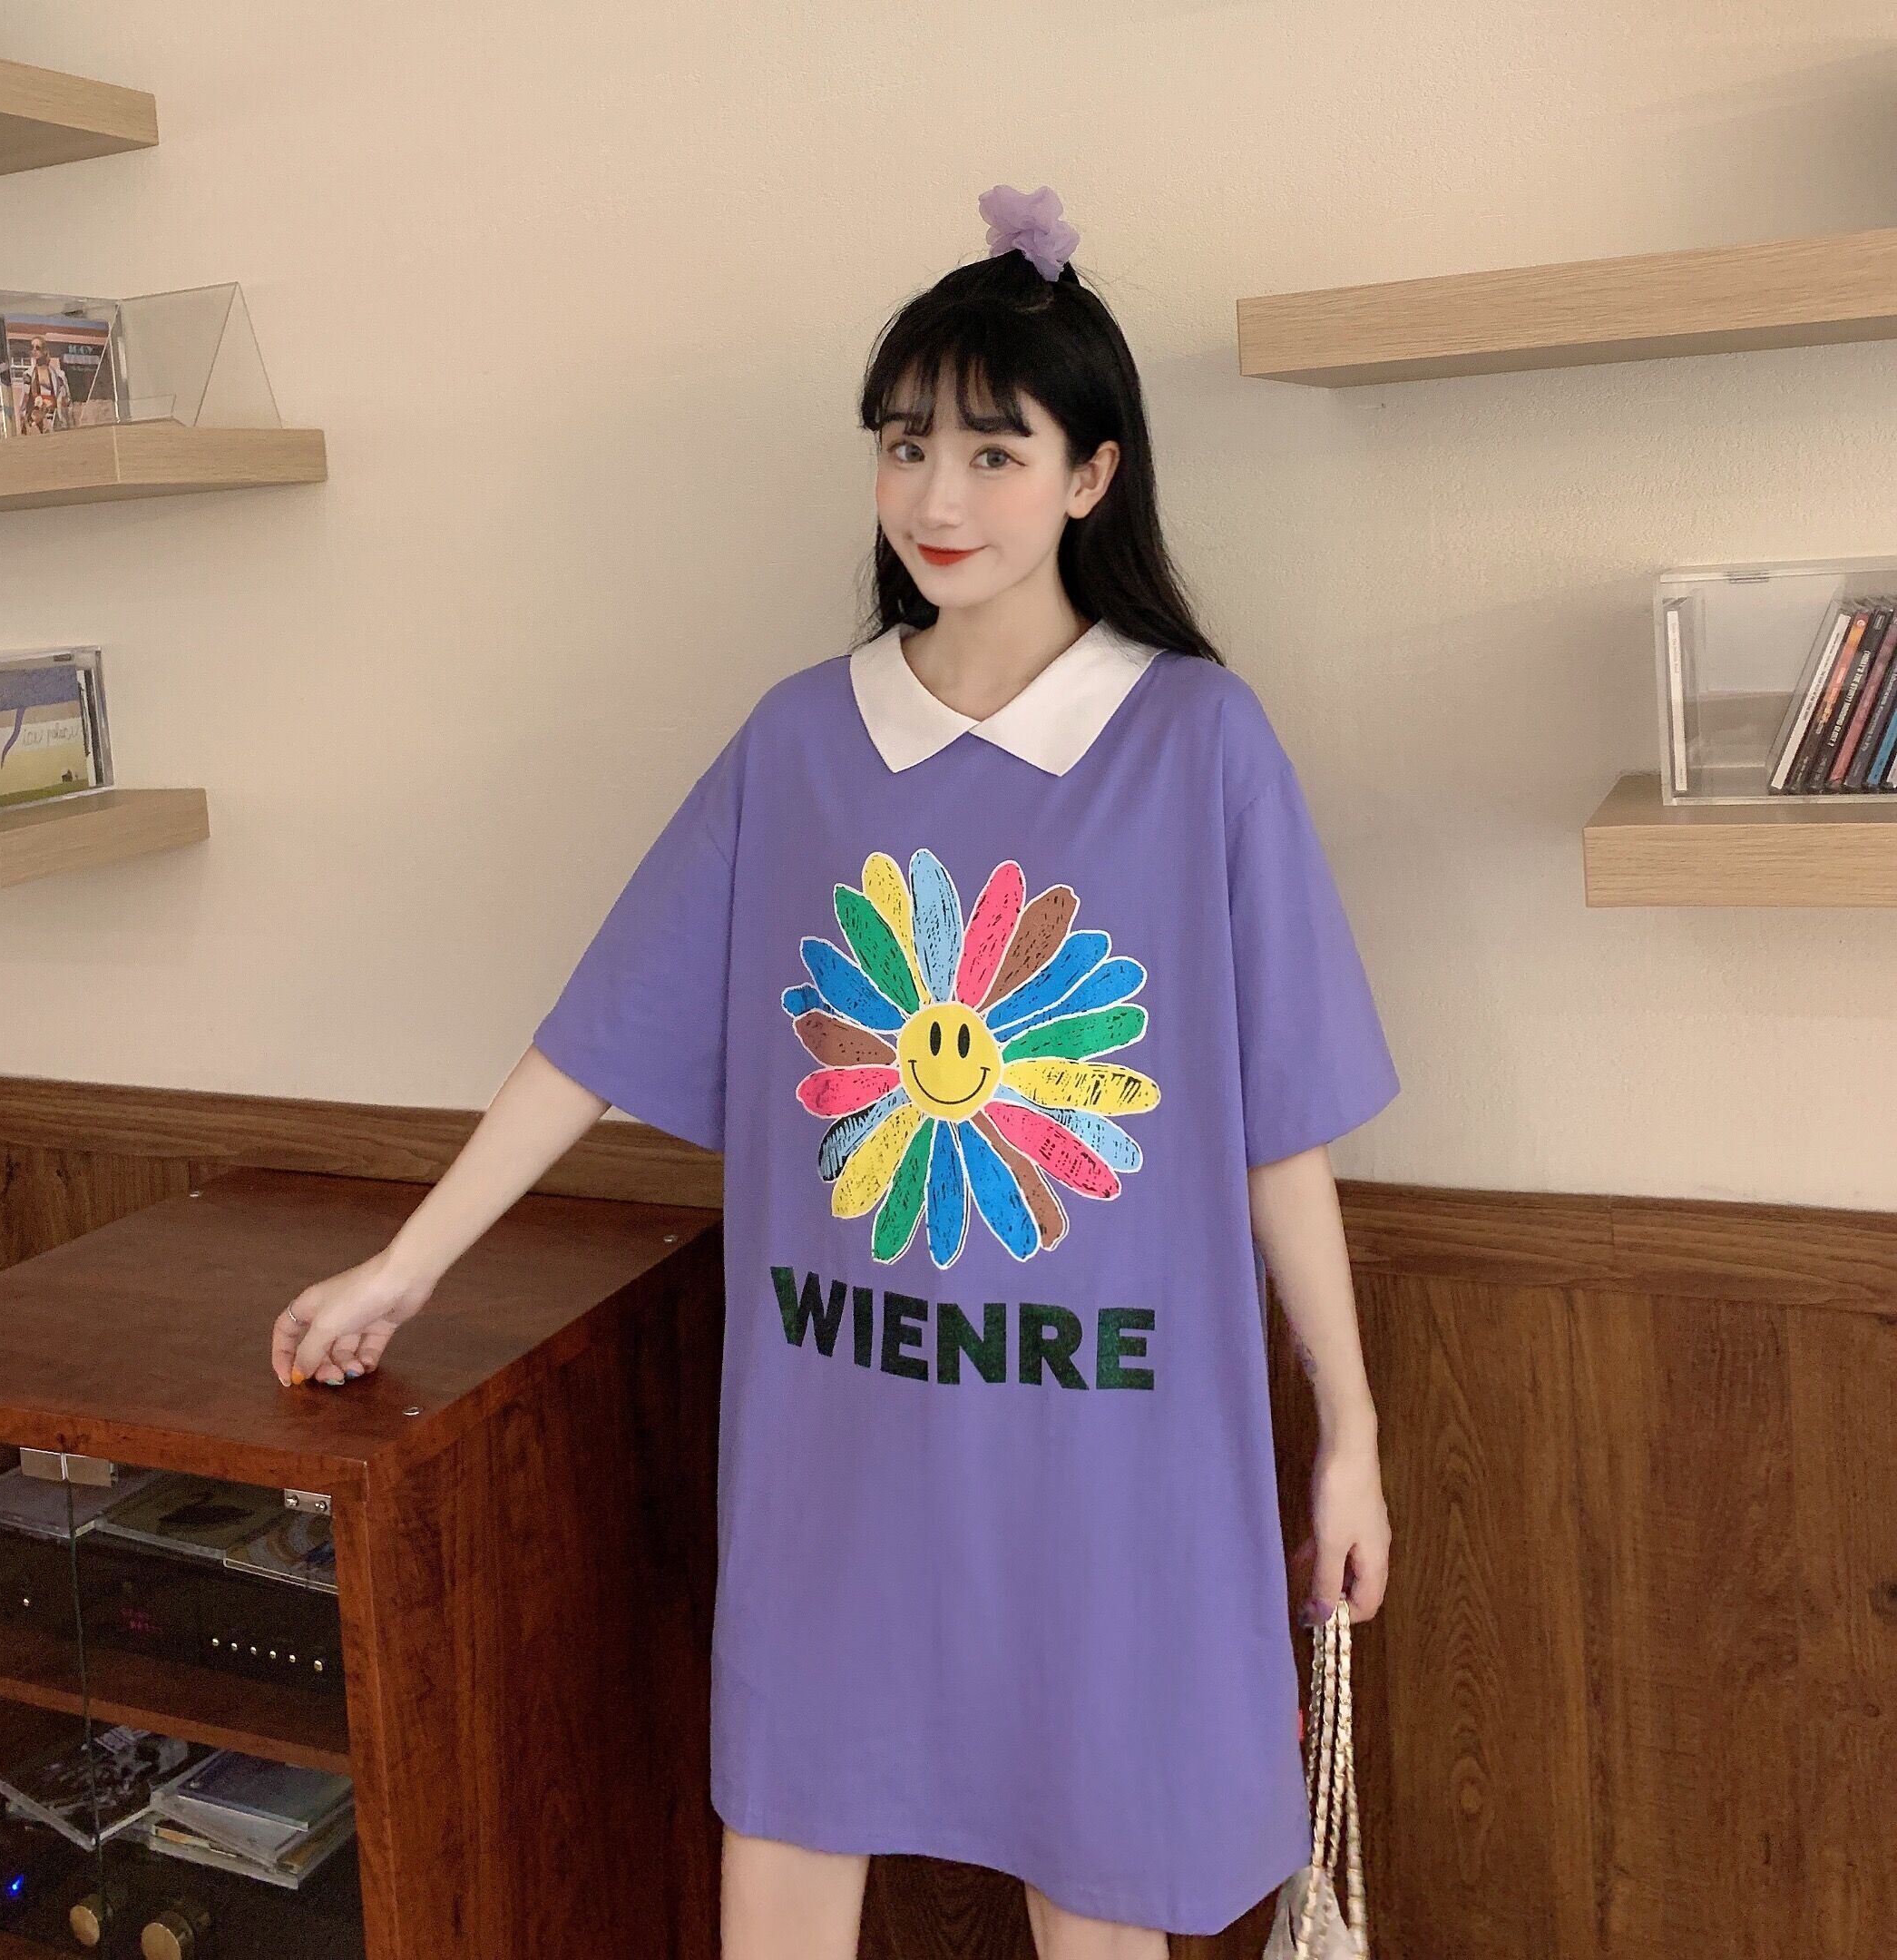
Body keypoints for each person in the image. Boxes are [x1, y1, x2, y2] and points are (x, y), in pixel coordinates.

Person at [268, 182, 1400, 1960]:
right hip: (842, 1458)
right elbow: (601, 1029)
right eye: (905, 445)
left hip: (1114, 1473)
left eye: (994, 453)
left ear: (1093, 476)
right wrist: (405, 1267)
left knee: (1102, 1899)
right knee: (786, 1869)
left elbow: (1280, 1126)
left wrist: (1351, 1433)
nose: (938, 498)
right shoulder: (804, 738)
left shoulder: (1197, 741)